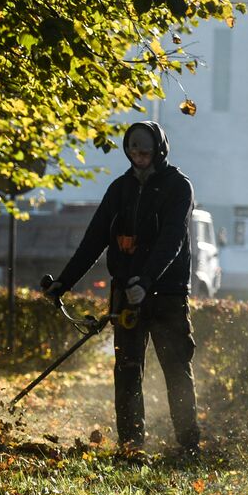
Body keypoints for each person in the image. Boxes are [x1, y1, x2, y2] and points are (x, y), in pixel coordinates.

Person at [41, 121, 200, 456]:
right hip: (126, 298)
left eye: (144, 149)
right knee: (127, 371)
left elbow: (171, 241)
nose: (138, 155)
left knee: (176, 369)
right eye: (132, 149)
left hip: (167, 296)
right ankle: (131, 446)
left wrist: (146, 281)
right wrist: (63, 283)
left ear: (159, 148)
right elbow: (94, 240)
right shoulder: (119, 190)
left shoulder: (178, 187)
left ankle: (188, 445)